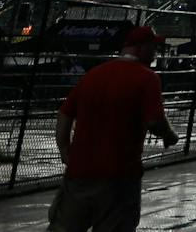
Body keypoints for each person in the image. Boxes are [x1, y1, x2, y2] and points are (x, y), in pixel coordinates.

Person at [48, 25, 179, 232]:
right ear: (141, 47)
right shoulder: (147, 77)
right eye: (153, 47)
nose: (155, 53)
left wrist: (64, 148)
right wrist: (170, 135)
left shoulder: (94, 74)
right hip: (118, 174)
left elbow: (64, 113)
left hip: (79, 172)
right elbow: (154, 121)